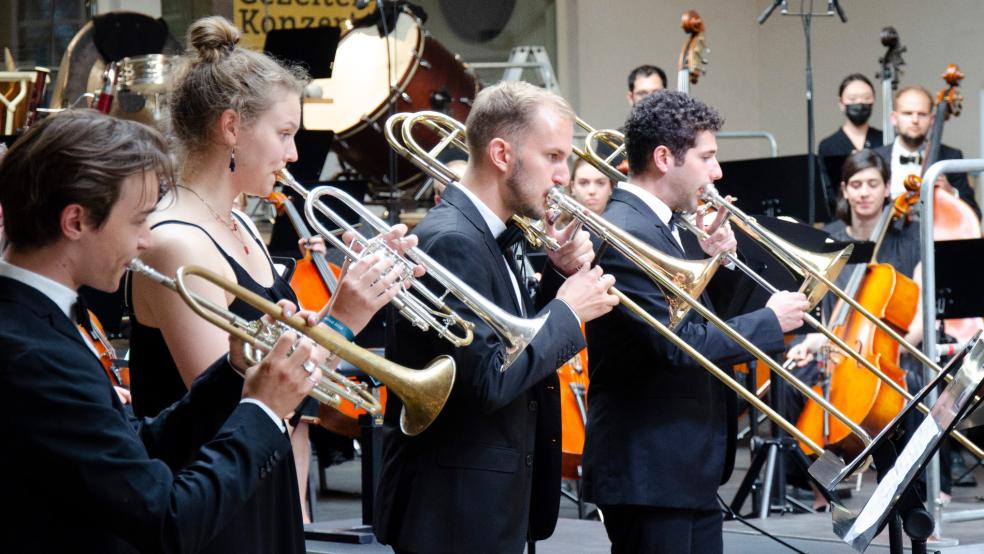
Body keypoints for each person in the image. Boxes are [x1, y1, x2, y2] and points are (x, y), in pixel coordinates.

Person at [128, 15, 412, 547]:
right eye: (284, 134)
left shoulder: (240, 225)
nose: (294, 155)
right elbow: (244, 401)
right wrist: (345, 319)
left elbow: (281, 379)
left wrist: (357, 289)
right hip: (210, 502)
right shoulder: (175, 243)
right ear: (232, 128)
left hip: (262, 485)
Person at [0, 109, 327, 552]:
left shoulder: (40, 319)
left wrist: (233, 374)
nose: (147, 240)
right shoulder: (27, 352)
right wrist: (264, 411)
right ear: (76, 222)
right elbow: (168, 520)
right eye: (138, 220)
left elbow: (136, 448)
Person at [373, 81, 619, 553]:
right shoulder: (453, 240)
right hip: (454, 512)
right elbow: (486, 381)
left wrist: (556, 277)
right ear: (502, 154)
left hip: (484, 505)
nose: (565, 176)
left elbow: (509, 337)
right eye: (553, 157)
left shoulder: (491, 231)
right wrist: (568, 309)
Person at [581, 90, 810, 554]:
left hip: (685, 467)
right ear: (665, 158)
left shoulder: (665, 227)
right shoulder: (625, 231)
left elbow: (706, 318)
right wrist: (770, 321)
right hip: (650, 469)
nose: (717, 172)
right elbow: (676, 343)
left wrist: (719, 262)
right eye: (707, 157)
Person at [873, 85, 979, 217]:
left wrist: (951, 194)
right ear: (894, 118)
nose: (915, 120)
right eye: (907, 113)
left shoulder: (951, 157)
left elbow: (974, 215)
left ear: (932, 120)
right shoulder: (874, 158)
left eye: (922, 114)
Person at [818, 73, 884, 161]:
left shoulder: (884, 140)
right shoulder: (828, 145)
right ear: (841, 102)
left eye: (866, 98)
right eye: (852, 99)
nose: (860, 103)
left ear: (873, 100)